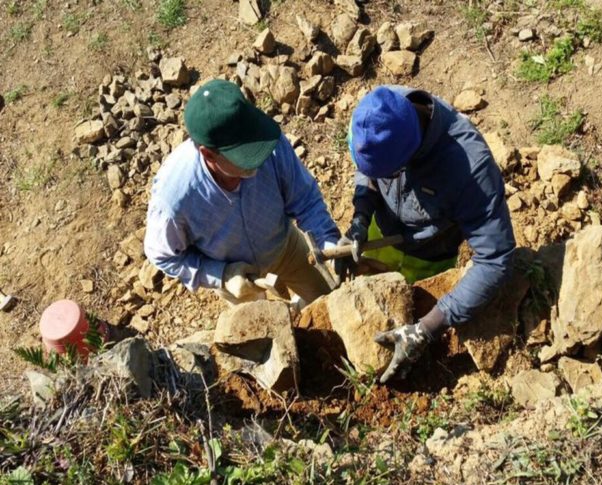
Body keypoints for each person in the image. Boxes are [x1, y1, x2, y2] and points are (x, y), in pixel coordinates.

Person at [337, 85, 516, 383]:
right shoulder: (377, 113)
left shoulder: (469, 168)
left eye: (388, 172)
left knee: (408, 313)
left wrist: (427, 328)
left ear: (410, 157)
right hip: (378, 233)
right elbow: (366, 167)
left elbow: (496, 259)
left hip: (428, 256)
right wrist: (360, 217)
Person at [144, 79, 340, 305]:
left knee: (328, 302)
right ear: (209, 155)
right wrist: (221, 275)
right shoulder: (174, 199)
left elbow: (305, 200)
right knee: (264, 334)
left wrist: (328, 241)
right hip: (239, 279)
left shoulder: (266, 141)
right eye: (244, 157)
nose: (257, 161)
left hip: (286, 248)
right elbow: (163, 256)